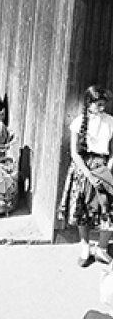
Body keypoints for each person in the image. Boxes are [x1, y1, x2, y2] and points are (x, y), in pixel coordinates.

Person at [60, 85, 113, 267]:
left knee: (108, 207)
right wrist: (89, 176)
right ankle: (85, 246)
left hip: (104, 167)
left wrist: (107, 170)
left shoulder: (110, 121)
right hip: (83, 169)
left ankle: (102, 248)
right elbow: (75, 154)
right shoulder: (78, 123)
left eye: (103, 104)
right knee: (82, 207)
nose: (102, 108)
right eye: (98, 105)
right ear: (89, 104)